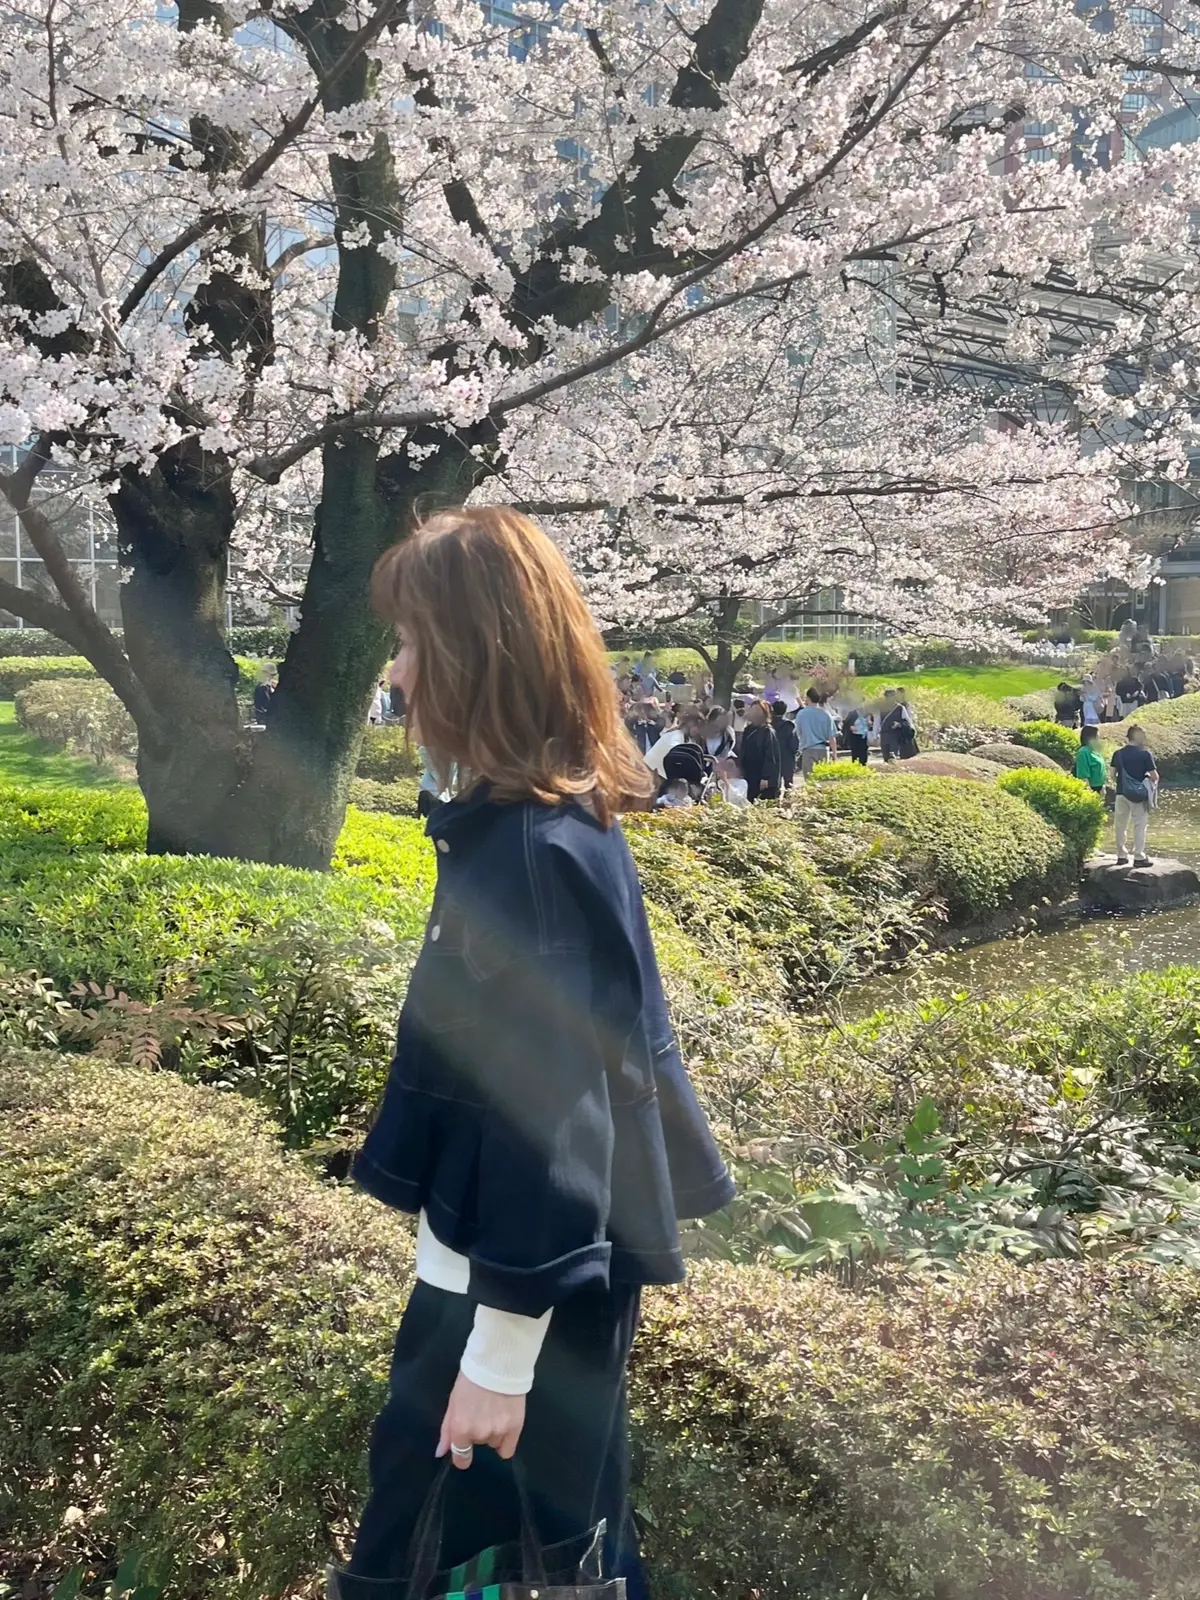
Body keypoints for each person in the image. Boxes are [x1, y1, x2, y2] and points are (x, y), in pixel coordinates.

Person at [336, 508, 734, 1600]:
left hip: (510, 1304)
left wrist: (497, 1361)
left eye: (415, 643)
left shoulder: (526, 852)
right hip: (517, 1288)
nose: (400, 674)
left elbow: (551, 1124)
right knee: (558, 1559)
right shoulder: (545, 825)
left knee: (480, 1566)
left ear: (475, 657)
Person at [1111, 724, 1158, 866]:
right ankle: (1138, 856)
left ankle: (1121, 855)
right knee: (1139, 824)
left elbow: (1113, 775)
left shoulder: (1118, 753)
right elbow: (1154, 776)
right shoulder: (1145, 754)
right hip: (1138, 795)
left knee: (1120, 824)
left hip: (1121, 793)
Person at [738, 698, 781, 802]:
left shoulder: (768, 731)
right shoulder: (748, 730)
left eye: (757, 711)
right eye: (752, 710)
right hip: (749, 773)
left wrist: (766, 777)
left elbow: (771, 755)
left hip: (762, 775)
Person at [643, 708, 705, 779]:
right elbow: (674, 749)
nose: (697, 730)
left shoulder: (689, 739)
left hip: (660, 774)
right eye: (695, 726)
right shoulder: (676, 735)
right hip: (651, 772)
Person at [795, 686, 837, 779]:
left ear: (808, 698)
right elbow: (831, 736)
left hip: (808, 750)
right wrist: (834, 753)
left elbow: (798, 733)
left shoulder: (801, 714)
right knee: (823, 780)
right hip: (823, 750)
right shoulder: (826, 713)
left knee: (810, 781)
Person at [879, 688, 918, 762]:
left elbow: (907, 722)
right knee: (885, 755)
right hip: (884, 734)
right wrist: (875, 736)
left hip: (894, 735)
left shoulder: (900, 708)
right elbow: (877, 722)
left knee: (893, 755)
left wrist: (899, 724)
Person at [1073, 725, 1107, 796]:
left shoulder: (1095, 751)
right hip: (1091, 790)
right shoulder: (1083, 752)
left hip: (1100, 789)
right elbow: (1083, 776)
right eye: (1097, 737)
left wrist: (1103, 787)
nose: (1099, 740)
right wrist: (1090, 793)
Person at [771, 700, 798, 788]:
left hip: (772, 758)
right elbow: (794, 744)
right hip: (787, 758)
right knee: (789, 784)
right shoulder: (789, 725)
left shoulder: (769, 725)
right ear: (785, 711)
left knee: (775, 785)